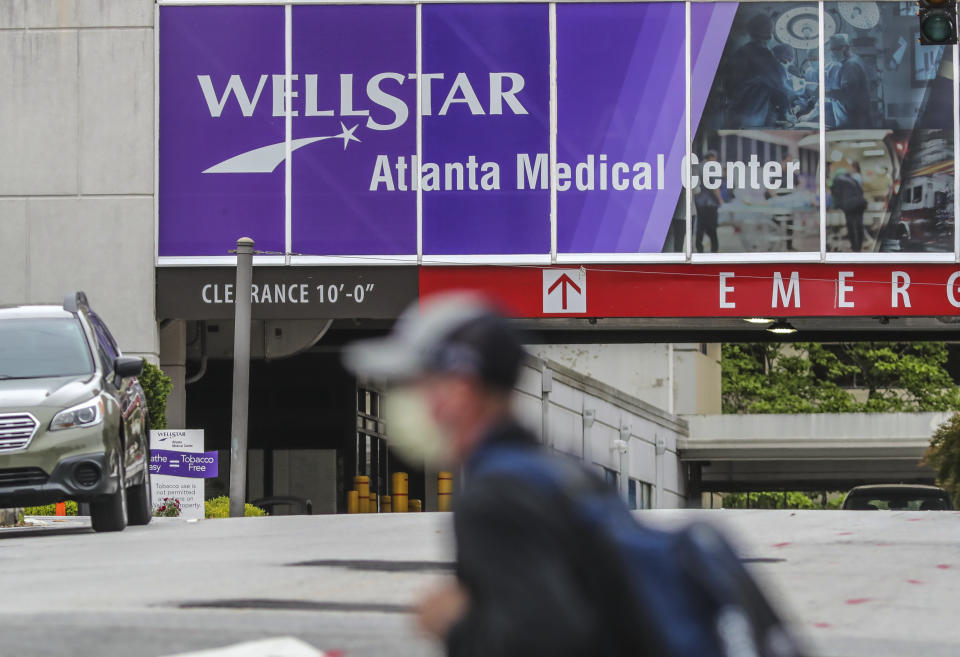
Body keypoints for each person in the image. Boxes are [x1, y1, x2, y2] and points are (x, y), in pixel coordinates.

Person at [343, 294, 805, 657]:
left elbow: (546, 642)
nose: (403, 398)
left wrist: (454, 626)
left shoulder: (495, 497)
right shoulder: (563, 471)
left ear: (459, 391)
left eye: (414, 383)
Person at [722, 13, 793, 127]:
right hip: (750, 116)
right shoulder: (762, 54)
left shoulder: (740, 52)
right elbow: (782, 83)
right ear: (769, 33)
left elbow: (728, 86)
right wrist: (801, 84)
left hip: (732, 113)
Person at [825, 34, 871, 129]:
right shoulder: (850, 63)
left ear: (844, 48)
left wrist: (824, 93)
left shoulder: (851, 66)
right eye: (830, 50)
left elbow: (847, 94)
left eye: (834, 49)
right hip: (850, 119)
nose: (831, 53)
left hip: (853, 121)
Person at [830, 164, 867, 251]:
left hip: (849, 206)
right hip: (860, 204)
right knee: (859, 225)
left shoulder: (837, 180)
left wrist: (836, 207)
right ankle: (859, 247)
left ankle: (855, 247)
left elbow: (836, 195)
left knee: (851, 226)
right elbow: (861, 191)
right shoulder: (853, 179)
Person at [694, 151, 724, 253]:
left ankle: (699, 248)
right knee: (712, 227)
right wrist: (720, 200)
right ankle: (714, 250)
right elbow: (715, 187)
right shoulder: (712, 168)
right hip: (710, 203)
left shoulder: (698, 167)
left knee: (700, 227)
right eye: (715, 158)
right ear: (711, 157)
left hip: (699, 202)